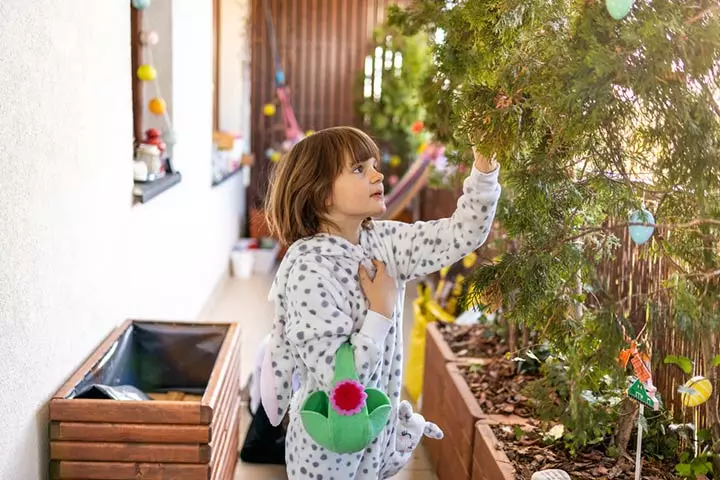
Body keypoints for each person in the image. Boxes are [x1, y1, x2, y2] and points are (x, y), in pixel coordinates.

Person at [260, 126, 501, 479]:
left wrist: (484, 169)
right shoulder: (308, 268)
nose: (377, 174)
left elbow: (462, 233)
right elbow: (341, 385)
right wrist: (381, 311)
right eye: (359, 169)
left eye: (374, 164)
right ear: (320, 192)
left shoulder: (384, 240)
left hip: (377, 436)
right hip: (328, 453)